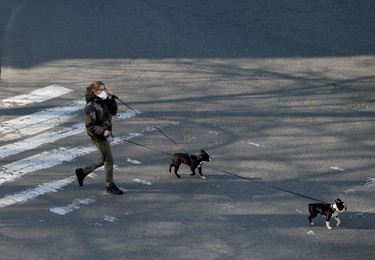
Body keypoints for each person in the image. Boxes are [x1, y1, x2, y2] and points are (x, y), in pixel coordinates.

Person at [75, 81, 123, 195]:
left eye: (104, 89)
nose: (104, 91)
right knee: (109, 160)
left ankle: (82, 172)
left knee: (104, 158)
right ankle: (110, 185)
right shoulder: (90, 105)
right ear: (95, 91)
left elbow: (114, 111)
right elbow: (89, 125)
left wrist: (111, 99)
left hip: (106, 134)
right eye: (101, 90)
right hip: (98, 137)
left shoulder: (103, 101)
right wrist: (103, 131)